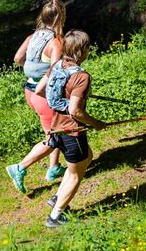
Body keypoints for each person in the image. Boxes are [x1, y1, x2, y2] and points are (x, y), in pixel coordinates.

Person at [9, 29, 106, 227]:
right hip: (71, 130)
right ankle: (56, 216)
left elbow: (39, 89)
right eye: (87, 47)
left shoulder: (56, 65)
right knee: (74, 174)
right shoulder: (81, 77)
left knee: (87, 156)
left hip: (54, 126)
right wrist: (96, 123)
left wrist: (59, 101)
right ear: (82, 51)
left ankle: (57, 198)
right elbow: (76, 111)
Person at [8, 0, 67, 188]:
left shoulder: (31, 37)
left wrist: (33, 68)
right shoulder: (55, 42)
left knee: (53, 130)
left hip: (30, 92)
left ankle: (54, 168)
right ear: (59, 18)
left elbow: (18, 58)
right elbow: (55, 69)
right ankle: (20, 167)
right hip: (44, 95)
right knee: (54, 137)